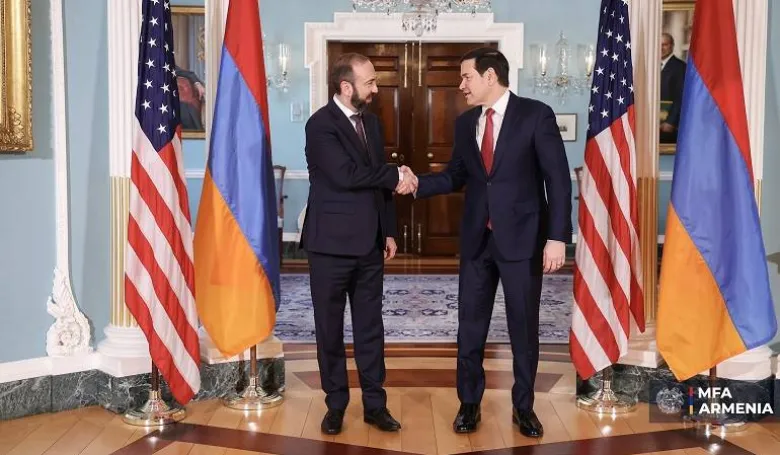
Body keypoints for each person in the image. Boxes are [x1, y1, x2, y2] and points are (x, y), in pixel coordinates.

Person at [397, 47, 572, 437]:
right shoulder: (465, 123)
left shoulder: (536, 115)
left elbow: (558, 181)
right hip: (477, 241)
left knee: (523, 328)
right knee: (470, 327)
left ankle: (523, 407)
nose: (461, 85)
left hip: (524, 241)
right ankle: (469, 404)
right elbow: (455, 175)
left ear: (490, 76)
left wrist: (558, 237)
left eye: (466, 77)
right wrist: (417, 183)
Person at [300, 52, 406, 435]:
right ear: (346, 87)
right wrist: (396, 175)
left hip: (369, 244)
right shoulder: (320, 125)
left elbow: (377, 183)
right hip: (329, 246)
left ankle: (375, 405)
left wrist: (388, 230)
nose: (376, 89)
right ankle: (336, 404)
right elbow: (347, 175)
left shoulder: (372, 123)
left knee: (370, 328)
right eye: (370, 82)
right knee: (329, 330)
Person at [660, 33, 686, 144]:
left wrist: (671, 121)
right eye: (659, 45)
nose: (661, 48)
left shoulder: (680, 67)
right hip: (651, 122)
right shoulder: (651, 65)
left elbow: (681, 97)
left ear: (672, 46)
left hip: (669, 125)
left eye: (664, 45)